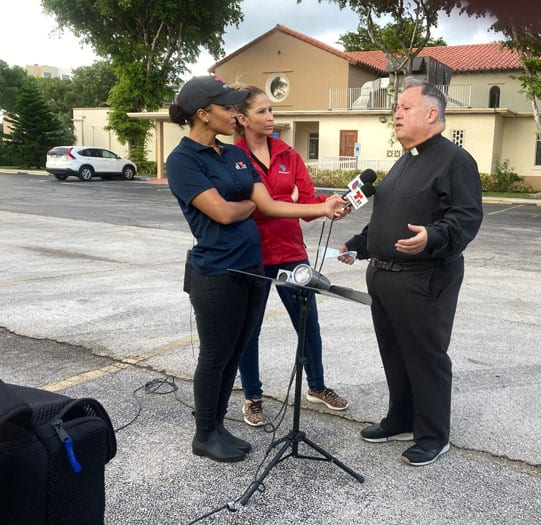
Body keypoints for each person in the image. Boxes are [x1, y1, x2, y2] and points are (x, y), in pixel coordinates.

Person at [166, 76, 345, 463]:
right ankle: (204, 434)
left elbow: (268, 203)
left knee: (234, 352)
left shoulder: (232, 155)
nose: (234, 113)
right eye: (227, 108)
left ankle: (218, 426)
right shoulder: (182, 160)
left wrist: (316, 206)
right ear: (202, 114)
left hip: (252, 269)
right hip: (216, 272)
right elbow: (226, 211)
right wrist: (251, 204)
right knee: (215, 355)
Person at [339, 77, 483, 467]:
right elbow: (389, 216)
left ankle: (434, 435)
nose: (396, 114)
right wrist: (359, 245)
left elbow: (466, 218)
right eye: (397, 109)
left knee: (425, 357)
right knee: (395, 355)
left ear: (432, 113)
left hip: (424, 279)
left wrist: (433, 237)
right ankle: (400, 419)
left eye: (405, 108)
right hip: (386, 278)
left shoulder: (455, 161)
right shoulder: (405, 160)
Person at [233, 85, 348, 427]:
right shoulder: (232, 158)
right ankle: (253, 397)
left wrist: (329, 209)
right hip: (250, 255)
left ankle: (317, 386)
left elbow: (309, 206)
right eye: (262, 112)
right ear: (242, 118)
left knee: (307, 322)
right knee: (249, 330)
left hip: (290, 252)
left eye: (272, 111)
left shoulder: (289, 154)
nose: (271, 117)